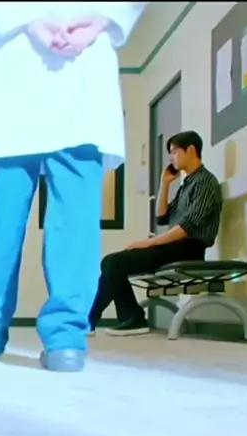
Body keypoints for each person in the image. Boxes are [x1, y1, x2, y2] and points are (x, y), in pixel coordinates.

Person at [0, 2, 146, 373]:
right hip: (85, 62)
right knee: (77, 212)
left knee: (4, 202)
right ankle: (66, 341)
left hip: (14, 59)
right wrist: (99, 20)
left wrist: (32, 21)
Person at [89, 130, 223, 336]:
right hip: (176, 247)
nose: (171, 158)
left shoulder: (205, 182)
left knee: (114, 263)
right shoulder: (187, 184)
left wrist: (148, 243)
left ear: (190, 150)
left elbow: (187, 227)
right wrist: (165, 183)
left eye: (174, 151)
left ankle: (132, 319)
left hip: (189, 249)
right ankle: (90, 320)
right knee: (110, 263)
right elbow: (162, 217)